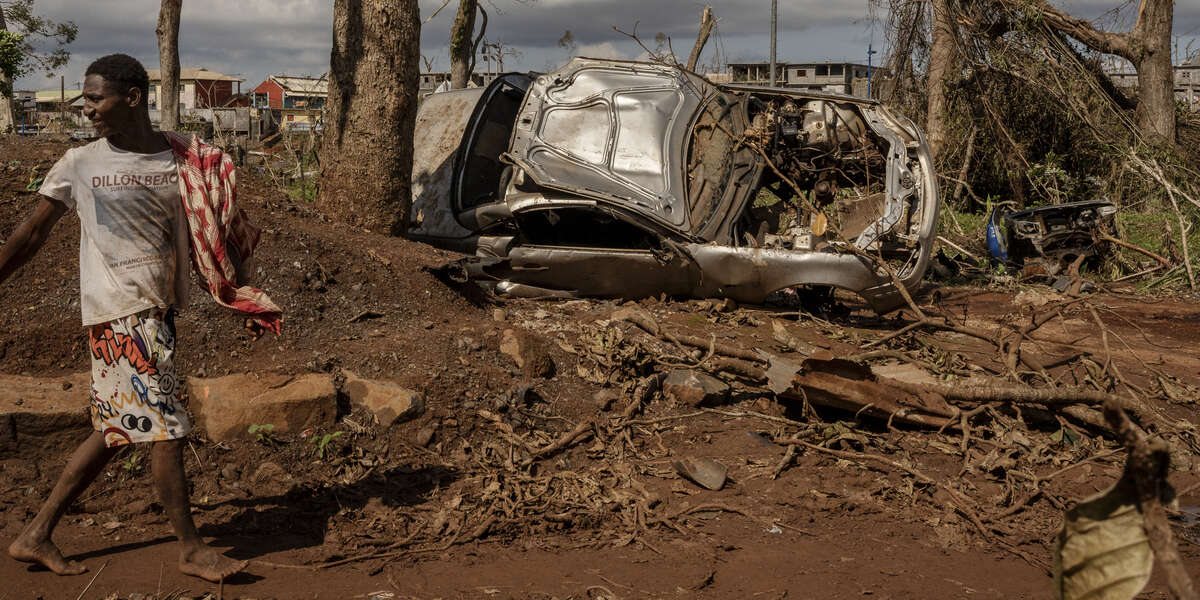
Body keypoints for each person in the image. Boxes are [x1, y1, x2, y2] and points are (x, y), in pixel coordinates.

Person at [1, 53, 278, 582]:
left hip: (158, 309)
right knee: (167, 430)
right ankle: (193, 549)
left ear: (131, 98)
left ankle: (35, 534)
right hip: (119, 313)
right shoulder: (80, 163)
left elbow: (218, 229)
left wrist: (240, 294)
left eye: (94, 98)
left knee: (119, 429)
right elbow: (32, 233)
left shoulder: (183, 161)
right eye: (83, 99)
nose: (86, 110)